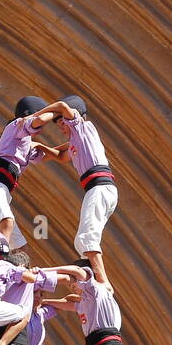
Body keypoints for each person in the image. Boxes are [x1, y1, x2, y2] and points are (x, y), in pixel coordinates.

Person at [31, 95, 118, 262]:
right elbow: (62, 156)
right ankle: (91, 275)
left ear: (73, 116)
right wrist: (39, 148)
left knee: (86, 238)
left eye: (62, 123)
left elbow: (62, 106)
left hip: (99, 188)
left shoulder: (83, 128)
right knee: (85, 239)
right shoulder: (77, 141)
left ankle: (101, 281)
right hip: (101, 190)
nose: (62, 128)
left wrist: (33, 118)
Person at [0, 96, 65, 252]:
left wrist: (76, 143)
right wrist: (57, 110)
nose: (42, 129)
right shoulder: (17, 125)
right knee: (6, 222)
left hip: (1, 190)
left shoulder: (25, 142)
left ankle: (16, 272)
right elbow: (39, 120)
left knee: (22, 249)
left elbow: (56, 156)